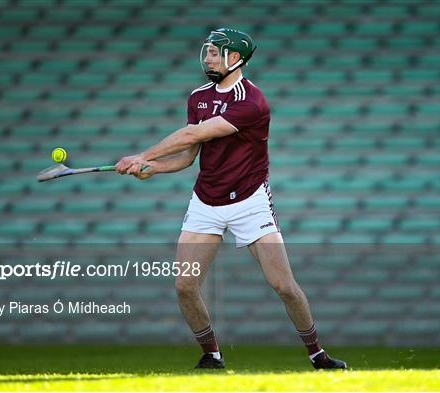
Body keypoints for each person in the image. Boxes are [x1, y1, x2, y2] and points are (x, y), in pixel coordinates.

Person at [116, 28, 347, 370]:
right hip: (206, 201)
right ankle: (211, 355)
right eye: (207, 52)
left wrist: (141, 152)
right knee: (184, 285)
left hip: (250, 201)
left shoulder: (251, 102)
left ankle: (317, 353)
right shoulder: (197, 98)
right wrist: (152, 166)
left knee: (284, 285)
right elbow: (188, 155)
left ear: (235, 59)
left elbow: (194, 133)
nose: (207, 58)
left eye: (214, 52)